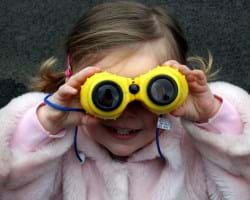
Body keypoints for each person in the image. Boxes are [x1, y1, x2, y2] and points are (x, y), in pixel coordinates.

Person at [0, 1, 250, 200]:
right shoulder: (57, 152)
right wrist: (43, 125)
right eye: (107, 94)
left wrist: (217, 120)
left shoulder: (195, 151)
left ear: (179, 86)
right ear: (72, 82)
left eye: (158, 91)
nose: (126, 111)